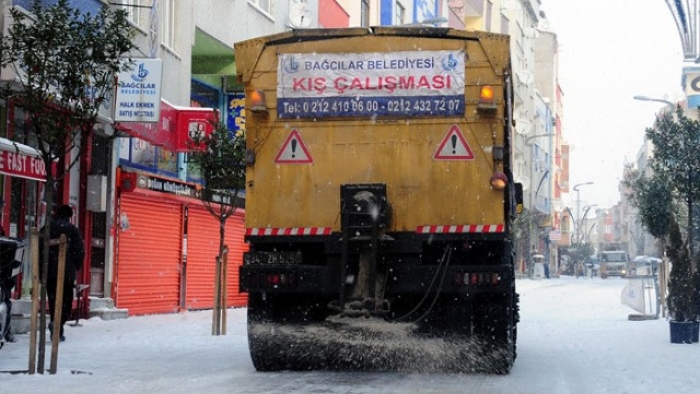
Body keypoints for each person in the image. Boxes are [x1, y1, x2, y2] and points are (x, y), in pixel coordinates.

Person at [41, 204, 84, 342]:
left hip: (49, 272)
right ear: (69, 216)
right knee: (66, 302)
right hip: (66, 273)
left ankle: (56, 327)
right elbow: (79, 251)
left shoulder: (47, 228)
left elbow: (39, 247)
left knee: (53, 301)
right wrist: (75, 266)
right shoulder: (72, 230)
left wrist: (42, 267)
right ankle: (58, 325)